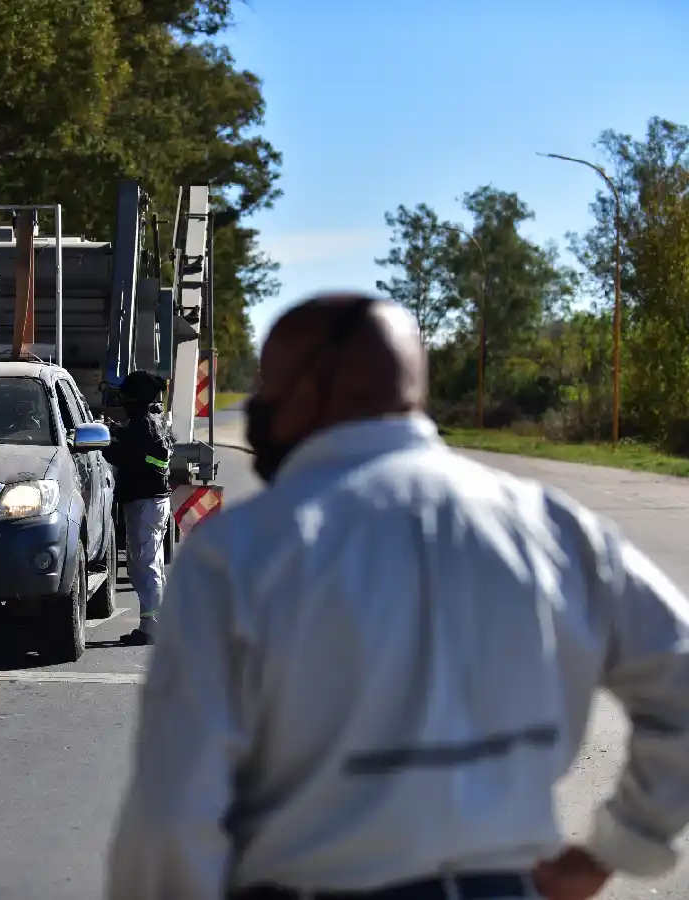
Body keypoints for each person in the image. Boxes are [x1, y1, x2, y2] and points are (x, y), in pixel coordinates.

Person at [105, 291, 689, 900]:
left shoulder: (241, 553)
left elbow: (174, 811)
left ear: (312, 388)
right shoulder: (550, 527)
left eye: (268, 387)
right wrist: (616, 849)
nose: (258, 409)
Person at [102, 369, 174, 647]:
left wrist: (104, 443)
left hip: (145, 504)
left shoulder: (143, 424)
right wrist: (118, 432)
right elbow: (139, 449)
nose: (122, 400)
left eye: (126, 395)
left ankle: (151, 627)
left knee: (145, 566)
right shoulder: (153, 421)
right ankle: (154, 623)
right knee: (147, 564)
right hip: (151, 502)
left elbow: (127, 456)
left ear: (135, 397)